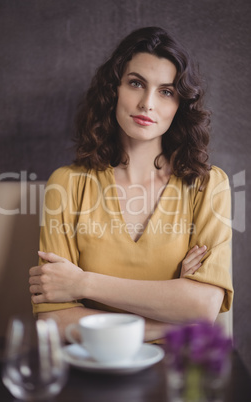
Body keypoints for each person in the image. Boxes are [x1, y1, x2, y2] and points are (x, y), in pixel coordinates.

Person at [29, 27, 233, 343]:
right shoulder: (67, 184)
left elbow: (203, 306)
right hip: (92, 370)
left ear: (180, 105)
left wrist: (82, 283)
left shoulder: (209, 186)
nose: (147, 103)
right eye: (136, 83)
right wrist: (172, 319)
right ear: (114, 90)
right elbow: (54, 319)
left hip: (178, 372)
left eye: (166, 91)